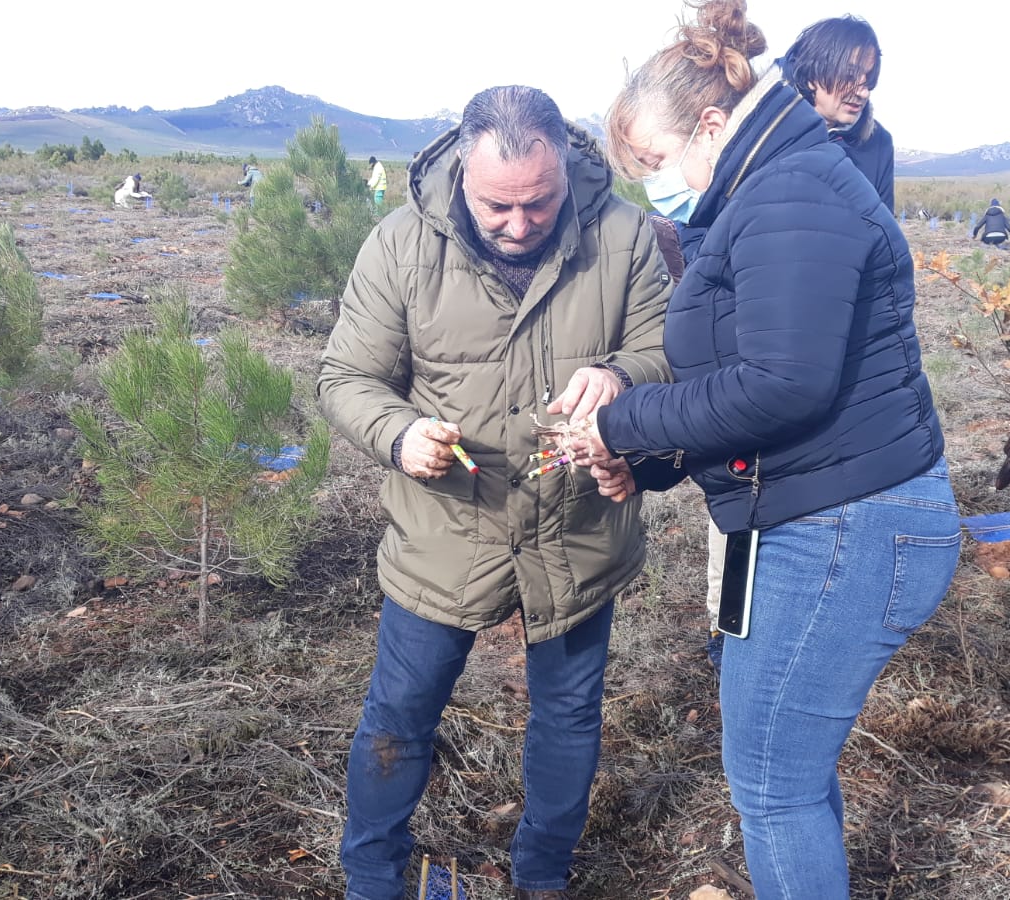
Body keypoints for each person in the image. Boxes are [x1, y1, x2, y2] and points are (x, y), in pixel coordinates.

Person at [572, 2, 959, 895]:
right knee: (788, 775)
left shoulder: (790, 192)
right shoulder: (767, 187)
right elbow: (755, 381)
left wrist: (620, 422)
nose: (654, 188)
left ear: (712, 124)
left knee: (772, 790)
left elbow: (786, 384)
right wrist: (654, 459)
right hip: (812, 514)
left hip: (842, 529)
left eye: (658, 163)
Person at [317, 85, 672, 900]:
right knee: (401, 717)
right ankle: (372, 879)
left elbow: (667, 351)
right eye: (496, 207)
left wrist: (621, 376)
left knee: (570, 716)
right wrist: (398, 434)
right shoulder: (401, 245)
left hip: (577, 528)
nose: (518, 225)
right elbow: (347, 377)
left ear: (565, 171)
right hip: (445, 532)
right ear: (461, 176)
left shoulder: (621, 236)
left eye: (539, 205)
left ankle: (541, 877)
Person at [689, 11, 903, 672]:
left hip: (835, 343)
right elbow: (710, 232)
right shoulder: (760, 135)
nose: (860, 89)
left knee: (812, 483)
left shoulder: (875, 146)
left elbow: (880, 238)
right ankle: (729, 624)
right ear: (810, 70)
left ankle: (803, 615)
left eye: (869, 78)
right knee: (743, 475)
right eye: (848, 74)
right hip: (753, 334)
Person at [778, 14, 895, 212]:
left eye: (868, 79)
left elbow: (883, 235)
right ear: (811, 75)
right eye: (849, 75)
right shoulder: (765, 128)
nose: (863, 92)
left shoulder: (878, 143)